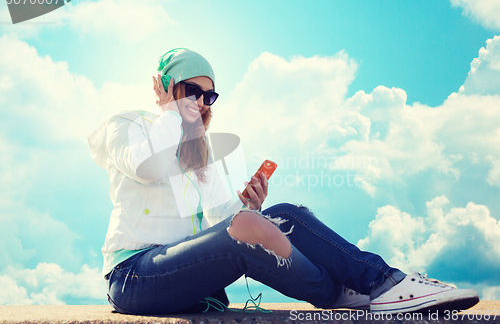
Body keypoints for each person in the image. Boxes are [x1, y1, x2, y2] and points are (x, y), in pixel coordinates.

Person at [88, 48, 479, 315]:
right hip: (133, 276)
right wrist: (168, 113)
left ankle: (383, 282)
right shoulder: (126, 125)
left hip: (185, 273)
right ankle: (340, 292)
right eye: (192, 91)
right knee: (246, 230)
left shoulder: (198, 152)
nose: (202, 103)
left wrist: (250, 208)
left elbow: (221, 222)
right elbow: (146, 168)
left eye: (210, 96)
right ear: (167, 85)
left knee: (282, 214)